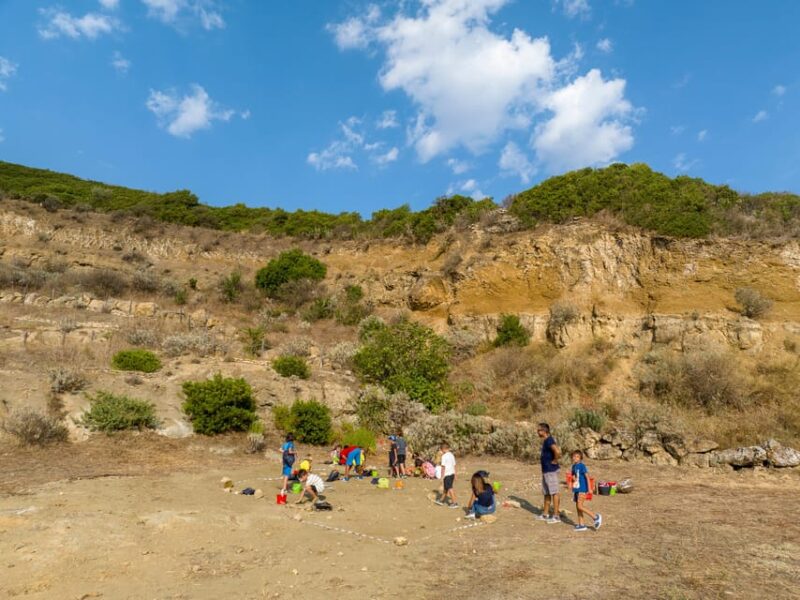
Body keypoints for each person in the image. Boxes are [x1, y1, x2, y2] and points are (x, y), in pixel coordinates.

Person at [570, 451, 602, 532]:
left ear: (580, 458)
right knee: (578, 507)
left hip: (582, 489)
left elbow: (587, 477)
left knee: (580, 506)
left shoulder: (582, 466)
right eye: (574, 456)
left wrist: (589, 488)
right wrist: (573, 479)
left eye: (577, 456)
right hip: (577, 489)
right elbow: (573, 475)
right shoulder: (573, 466)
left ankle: (596, 517)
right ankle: (581, 525)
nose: (575, 458)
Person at [537, 423, 562, 523]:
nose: (537, 432)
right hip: (546, 471)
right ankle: (545, 514)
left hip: (551, 470)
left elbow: (557, 451)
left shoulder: (549, 440)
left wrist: (555, 460)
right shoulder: (546, 441)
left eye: (539, 430)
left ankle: (556, 516)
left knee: (554, 492)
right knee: (546, 493)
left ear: (544, 431)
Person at [435, 442, 458, 508]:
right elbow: (454, 465)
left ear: (443, 449)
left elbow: (443, 467)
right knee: (446, 488)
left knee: (450, 488)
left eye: (441, 450)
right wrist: (455, 474)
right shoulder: (451, 455)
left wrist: (442, 476)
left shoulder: (444, 456)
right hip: (452, 474)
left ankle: (455, 503)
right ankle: (441, 500)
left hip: (447, 474)